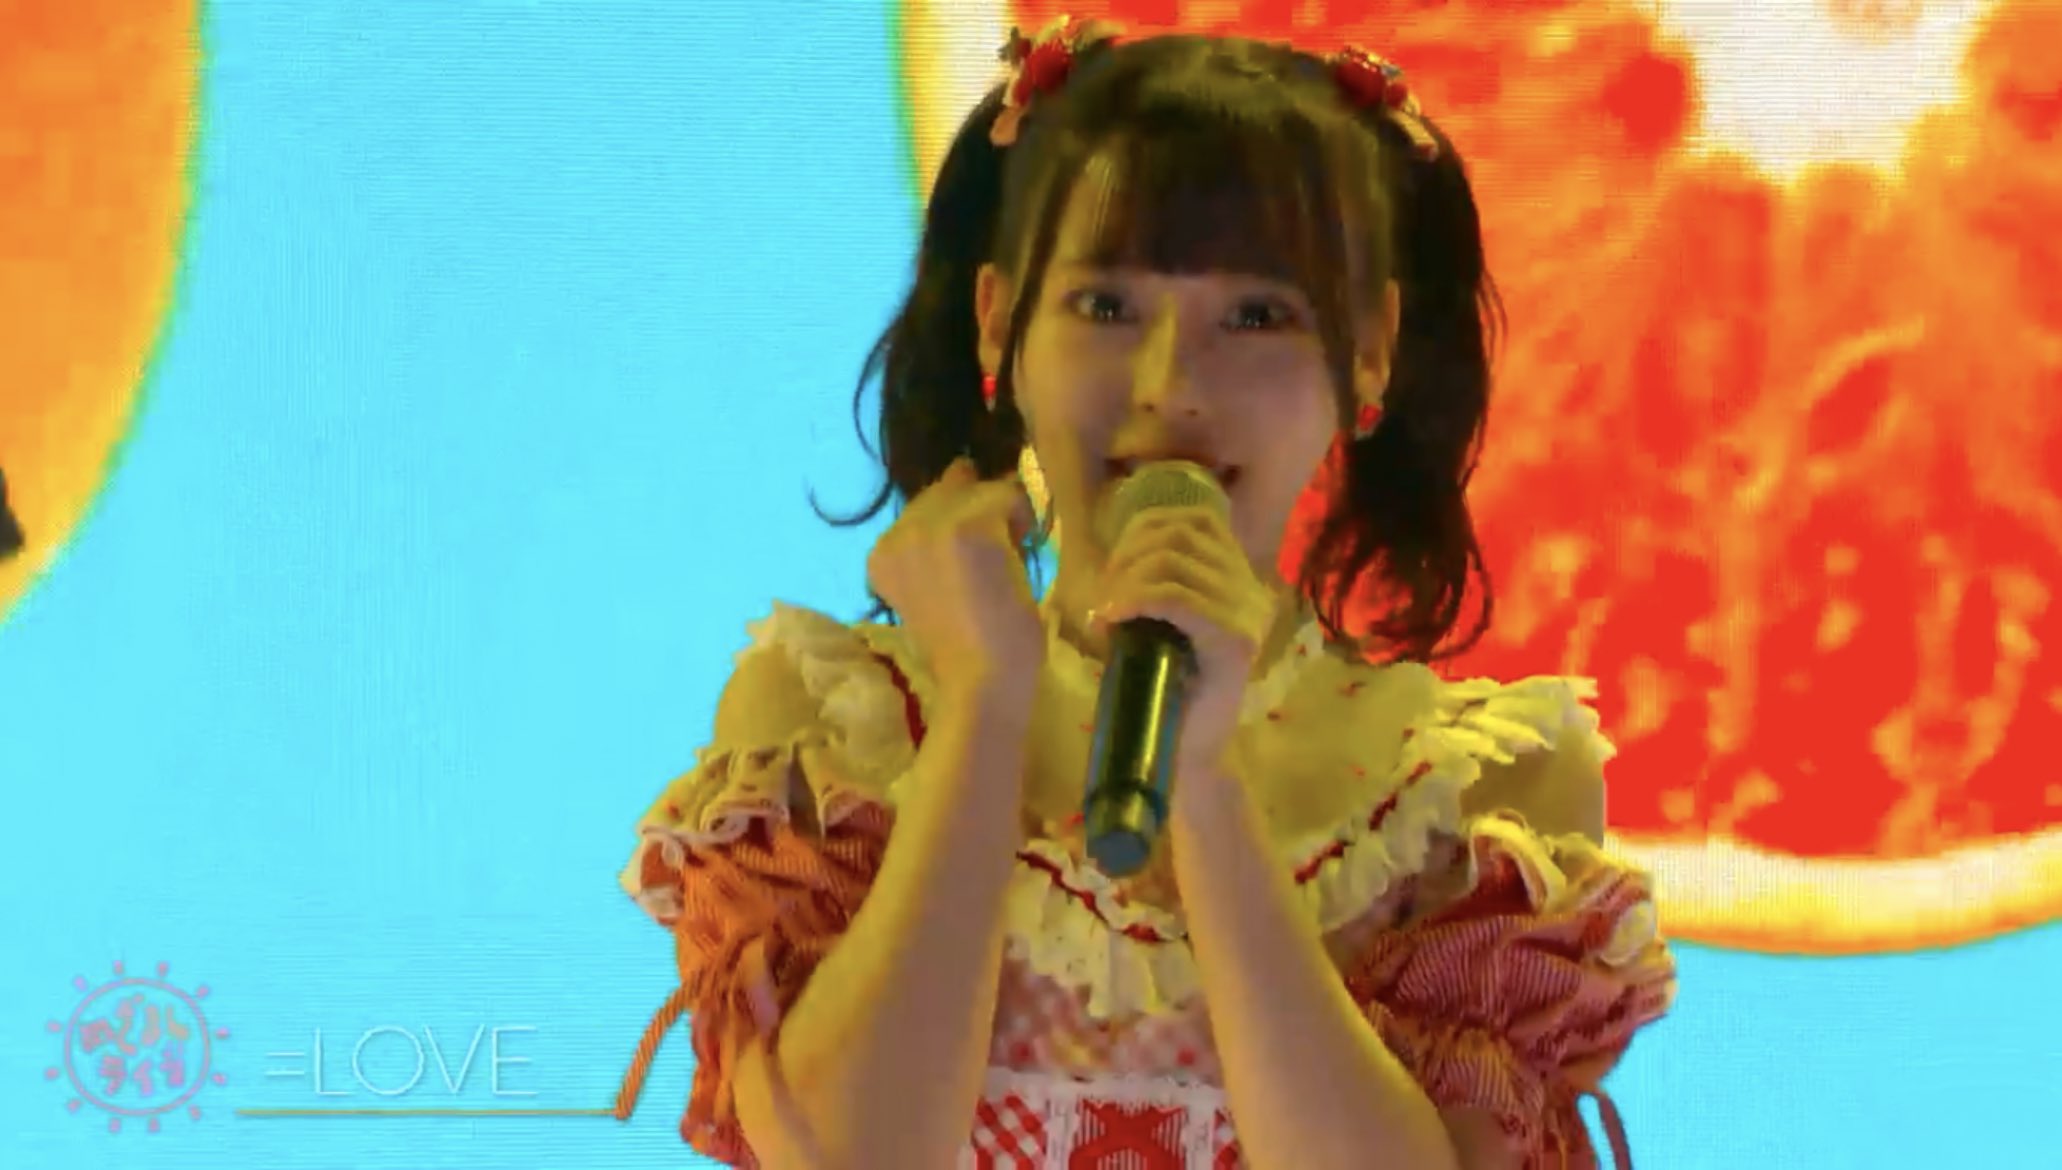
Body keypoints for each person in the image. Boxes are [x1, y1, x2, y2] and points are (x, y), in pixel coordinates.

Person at [614, 20, 1675, 1170]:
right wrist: (982, 712)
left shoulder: (1471, 800)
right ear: (998, 322)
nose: (1171, 385)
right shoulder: (835, 734)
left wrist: (1205, 787)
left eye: (1257, 315)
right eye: (1106, 307)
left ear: (1369, 350)